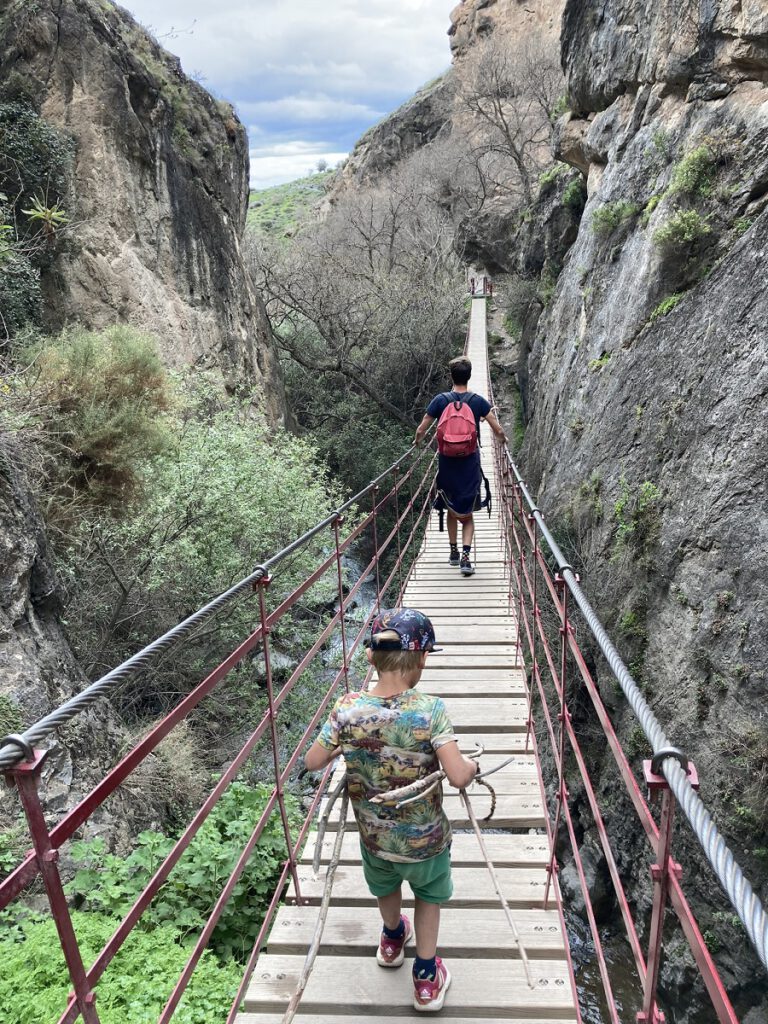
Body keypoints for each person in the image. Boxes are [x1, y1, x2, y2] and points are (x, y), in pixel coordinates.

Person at [304, 608, 478, 1013]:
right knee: (429, 896)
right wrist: (470, 766)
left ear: (370, 658)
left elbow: (313, 762)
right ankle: (426, 978)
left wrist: (342, 739)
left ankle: (392, 937)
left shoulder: (346, 709)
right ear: (422, 659)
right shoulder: (431, 710)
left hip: (374, 837)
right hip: (426, 842)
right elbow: (457, 775)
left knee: (385, 887)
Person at [414, 356, 507, 576]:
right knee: (467, 512)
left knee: (450, 506)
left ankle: (453, 552)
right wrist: (503, 440)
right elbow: (497, 428)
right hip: (469, 464)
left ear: (451, 376)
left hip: (447, 464)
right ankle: (466, 558)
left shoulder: (440, 400)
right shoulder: (477, 401)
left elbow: (422, 428)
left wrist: (417, 442)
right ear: (470, 376)